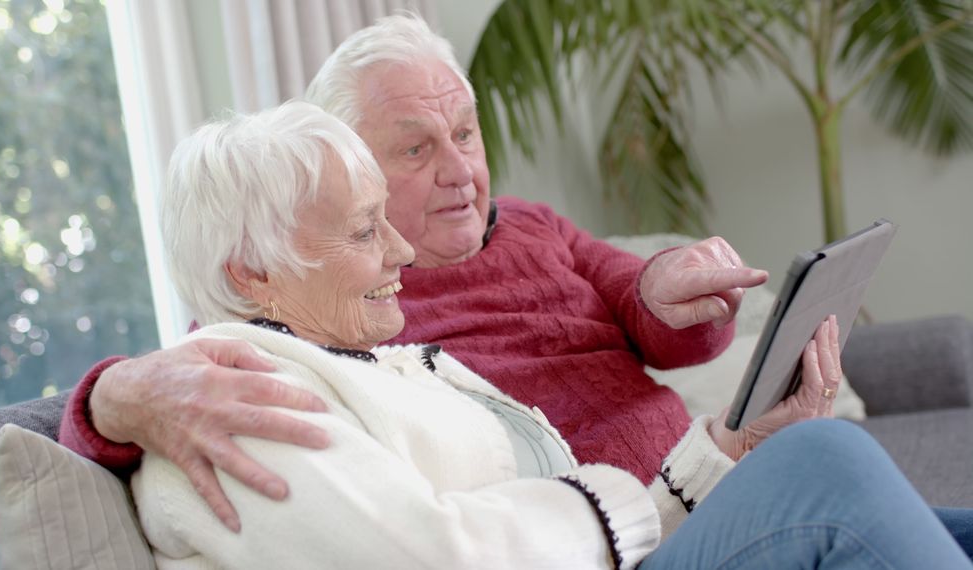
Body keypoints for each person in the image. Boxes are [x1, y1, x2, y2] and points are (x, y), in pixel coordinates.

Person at [130, 101, 971, 569]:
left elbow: (613, 527)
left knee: (936, 520)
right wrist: (615, 503)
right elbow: (442, 560)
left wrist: (729, 444)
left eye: (386, 222)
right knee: (829, 467)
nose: (398, 251)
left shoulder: (390, 362)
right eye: (362, 233)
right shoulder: (234, 394)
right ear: (250, 273)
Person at [58, 14, 769, 528]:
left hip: (700, 486)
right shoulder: (332, 293)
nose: (460, 170)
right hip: (617, 529)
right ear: (349, 165)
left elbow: (658, 316)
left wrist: (674, 285)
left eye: (464, 134)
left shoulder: (531, 224)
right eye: (416, 150)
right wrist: (110, 396)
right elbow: (204, 355)